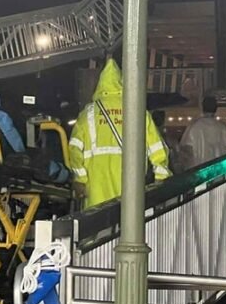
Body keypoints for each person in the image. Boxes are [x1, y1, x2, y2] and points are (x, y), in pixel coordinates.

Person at [68, 58, 171, 209]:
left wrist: (80, 179)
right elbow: (157, 148)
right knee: (129, 222)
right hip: (131, 186)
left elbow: (74, 149)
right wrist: (161, 179)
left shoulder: (87, 114)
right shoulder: (137, 110)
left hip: (96, 191)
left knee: (98, 222)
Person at [178, 96, 226, 170]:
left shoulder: (194, 127)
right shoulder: (222, 127)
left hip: (199, 170)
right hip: (218, 170)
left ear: (202, 108)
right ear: (216, 109)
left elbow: (186, 151)